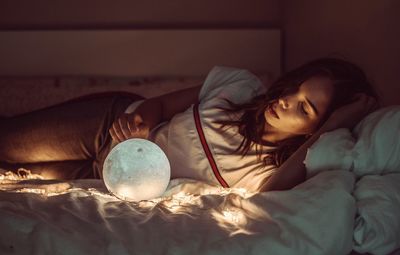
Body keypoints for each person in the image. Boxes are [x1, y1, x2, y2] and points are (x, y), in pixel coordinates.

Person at [0, 58, 379, 192]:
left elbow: (274, 191)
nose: (286, 99)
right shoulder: (241, 86)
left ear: (317, 129)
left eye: (305, 107)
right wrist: (141, 123)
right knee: (6, 141)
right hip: (107, 126)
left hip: (107, 178)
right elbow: (161, 103)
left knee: (13, 177)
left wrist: (339, 124)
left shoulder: (272, 170)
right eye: (295, 89)